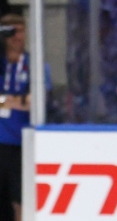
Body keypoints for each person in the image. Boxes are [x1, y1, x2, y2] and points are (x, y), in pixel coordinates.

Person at [0, 14, 50, 221]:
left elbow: (35, 101)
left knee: (19, 202)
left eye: (20, 31)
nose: (16, 36)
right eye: (10, 31)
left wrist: (6, 100)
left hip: (20, 143)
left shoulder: (34, 65)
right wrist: (14, 100)